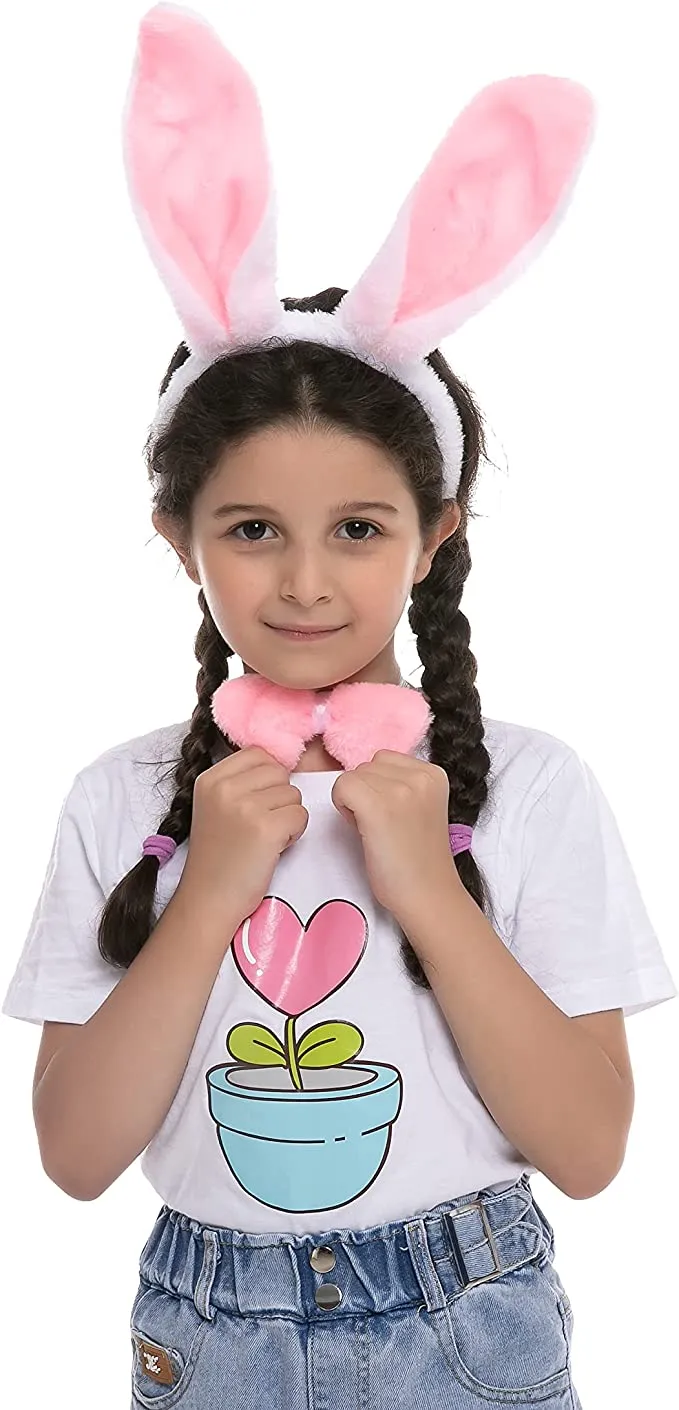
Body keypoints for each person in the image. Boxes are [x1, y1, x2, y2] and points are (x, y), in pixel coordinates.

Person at [2, 6, 676, 1408]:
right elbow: (72, 1156)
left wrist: (425, 885)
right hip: (210, 1333)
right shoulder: (123, 797)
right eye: (251, 529)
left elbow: (590, 1148)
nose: (305, 581)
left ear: (432, 536)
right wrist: (208, 888)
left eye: (358, 529)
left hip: (468, 1320)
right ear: (179, 537)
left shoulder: (530, 787)